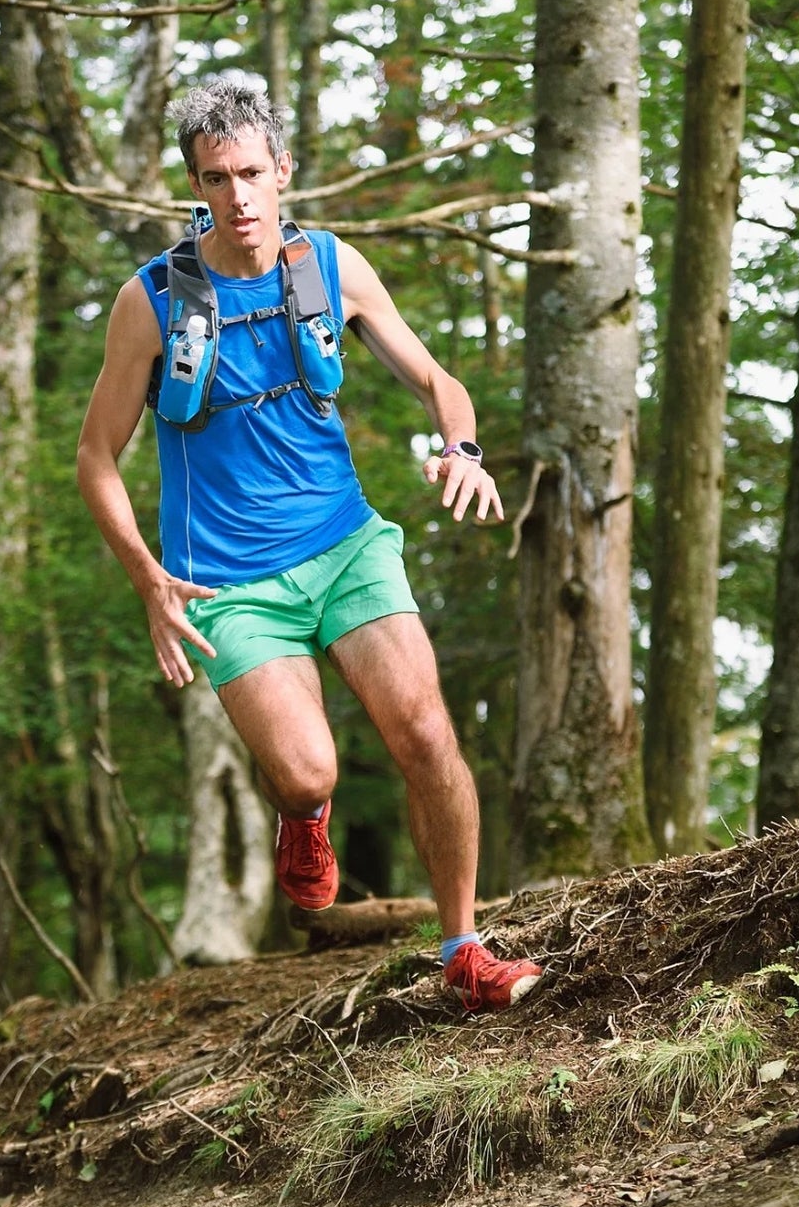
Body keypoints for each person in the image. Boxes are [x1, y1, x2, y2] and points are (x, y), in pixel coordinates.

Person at [75, 79, 541, 1012]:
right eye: (217, 178)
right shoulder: (153, 300)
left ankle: (464, 946)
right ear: (196, 185)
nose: (238, 196)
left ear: (283, 171)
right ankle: (305, 817)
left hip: (345, 543)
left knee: (424, 732)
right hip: (230, 582)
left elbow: (437, 379)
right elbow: (95, 457)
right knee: (306, 770)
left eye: (252, 172)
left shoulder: (330, 267)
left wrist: (461, 448)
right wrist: (149, 580)